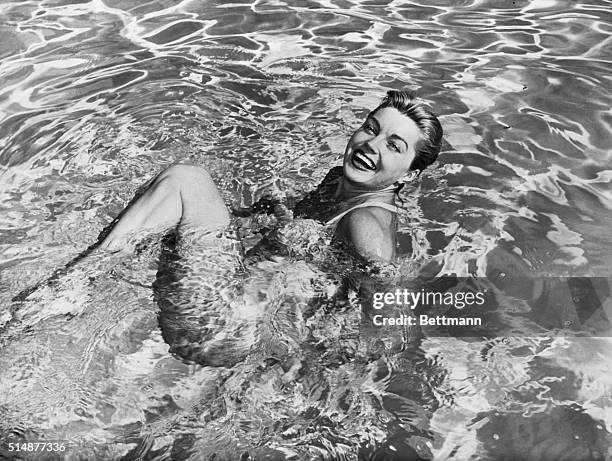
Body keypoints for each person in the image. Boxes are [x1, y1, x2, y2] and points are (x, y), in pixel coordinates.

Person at [98, 90, 443, 262]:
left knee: (186, 180)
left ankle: (71, 286)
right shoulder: (339, 179)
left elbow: (386, 306)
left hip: (230, 323)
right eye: (371, 128)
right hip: (228, 292)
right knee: (168, 205)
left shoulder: (366, 223)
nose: (372, 145)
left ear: (410, 175)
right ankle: (81, 277)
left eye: (394, 146)